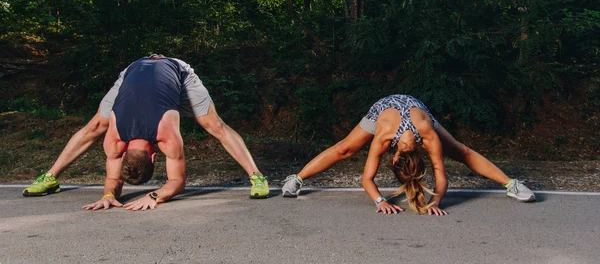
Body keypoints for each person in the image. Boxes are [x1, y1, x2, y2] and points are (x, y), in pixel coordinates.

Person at [23, 55, 269, 199]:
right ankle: (51, 177)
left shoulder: (165, 135)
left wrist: (154, 197)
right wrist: (109, 197)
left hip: (177, 72)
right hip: (133, 71)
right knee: (95, 125)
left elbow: (177, 182)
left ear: (154, 155)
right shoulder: (115, 140)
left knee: (214, 125)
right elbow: (113, 178)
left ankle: (257, 176)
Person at [281, 95, 535, 215]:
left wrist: (435, 202)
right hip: (384, 109)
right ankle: (297, 179)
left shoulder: (427, 135)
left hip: (418, 111)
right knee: (345, 148)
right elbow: (367, 179)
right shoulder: (382, 137)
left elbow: (441, 176)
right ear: (393, 158)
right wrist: (380, 201)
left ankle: (512, 184)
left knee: (460, 151)